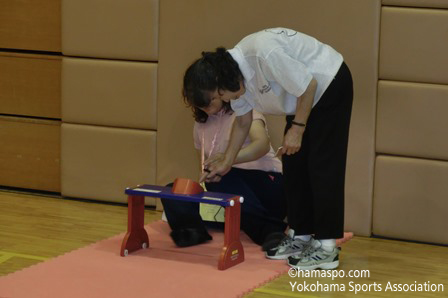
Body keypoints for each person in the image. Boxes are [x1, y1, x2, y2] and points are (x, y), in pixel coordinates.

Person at [183, 28, 353, 270]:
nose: (226, 101)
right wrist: (226, 161)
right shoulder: (232, 76)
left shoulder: (263, 53)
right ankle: (300, 235)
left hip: (329, 83)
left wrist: (297, 128)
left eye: (221, 95)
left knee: (322, 165)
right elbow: (243, 121)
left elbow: (309, 85)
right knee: (294, 163)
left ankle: (327, 247)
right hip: (302, 98)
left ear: (224, 82)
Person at [161, 100, 288, 250]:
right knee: (172, 190)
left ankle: (269, 231)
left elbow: (262, 145)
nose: (205, 104)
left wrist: (227, 160)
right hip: (232, 200)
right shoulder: (200, 125)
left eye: (209, 97)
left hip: (267, 188)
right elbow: (204, 166)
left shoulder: (245, 112)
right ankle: (193, 231)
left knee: (222, 175)